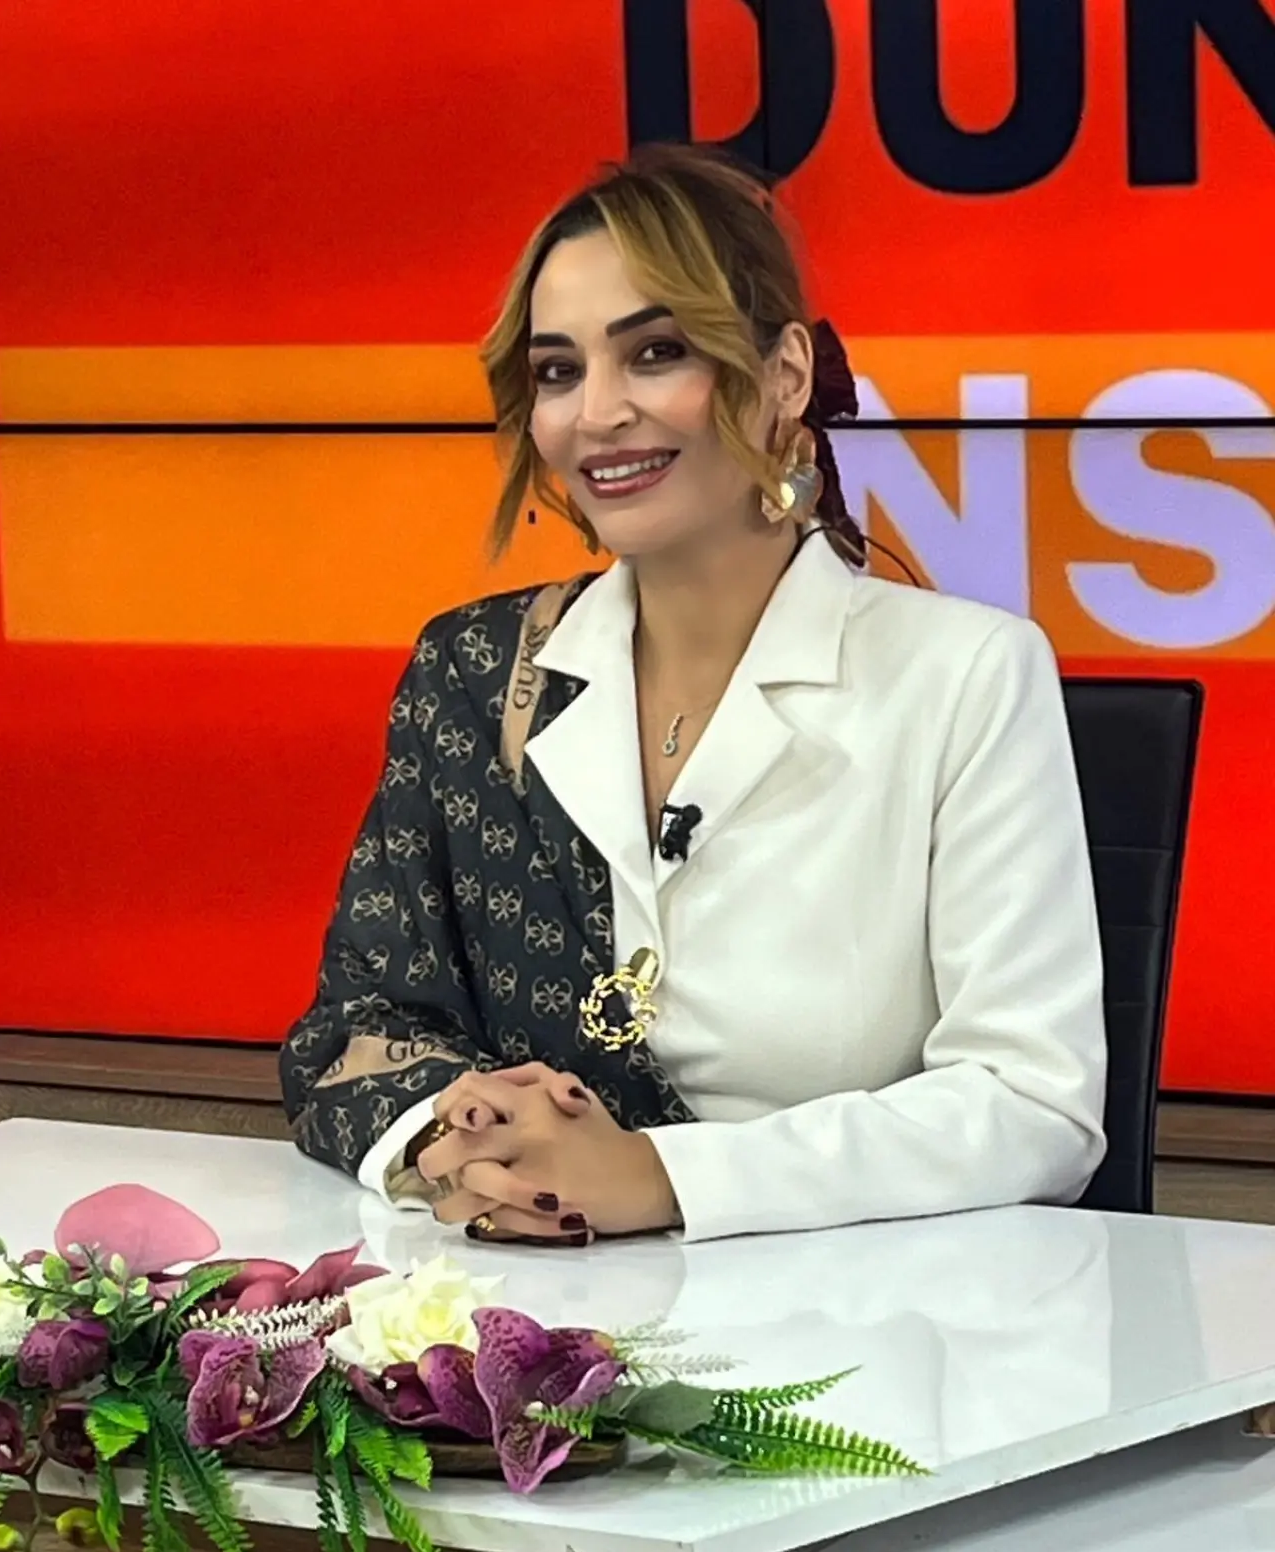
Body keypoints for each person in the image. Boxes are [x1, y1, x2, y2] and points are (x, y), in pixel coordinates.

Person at [279, 144, 1106, 1246]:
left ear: (786, 375)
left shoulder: (966, 676)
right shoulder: (475, 674)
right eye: (558, 371)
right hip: (531, 1294)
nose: (596, 413)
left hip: (864, 1313)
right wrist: (455, 1139)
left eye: (655, 353)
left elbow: (1031, 1105)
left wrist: (663, 1176)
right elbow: (356, 1031)